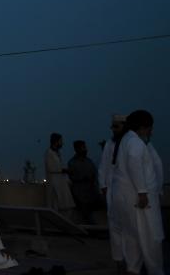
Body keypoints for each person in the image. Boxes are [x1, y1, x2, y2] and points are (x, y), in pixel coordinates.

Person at [111, 110, 164, 275]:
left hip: (127, 200)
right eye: (149, 128)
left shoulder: (126, 140)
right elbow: (134, 163)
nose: (151, 131)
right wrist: (142, 192)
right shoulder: (135, 142)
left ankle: (133, 269)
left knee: (132, 238)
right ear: (142, 127)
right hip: (140, 202)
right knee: (150, 239)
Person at [99, 114, 127, 268]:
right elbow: (103, 166)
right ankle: (118, 262)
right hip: (112, 191)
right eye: (113, 126)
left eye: (116, 126)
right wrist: (103, 186)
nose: (113, 130)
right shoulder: (110, 143)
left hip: (128, 193)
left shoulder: (131, 143)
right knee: (115, 227)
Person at [68, 140, 99, 224]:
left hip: (91, 194)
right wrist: (83, 178)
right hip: (79, 195)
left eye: (85, 147)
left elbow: (94, 175)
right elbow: (72, 177)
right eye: (83, 148)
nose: (85, 149)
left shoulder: (89, 162)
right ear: (77, 149)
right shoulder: (72, 163)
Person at [45, 133, 75, 215]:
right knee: (55, 208)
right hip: (54, 185)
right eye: (61, 141)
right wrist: (64, 170)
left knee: (66, 208)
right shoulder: (49, 153)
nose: (62, 143)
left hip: (61, 184)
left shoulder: (57, 153)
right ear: (56, 142)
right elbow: (51, 168)